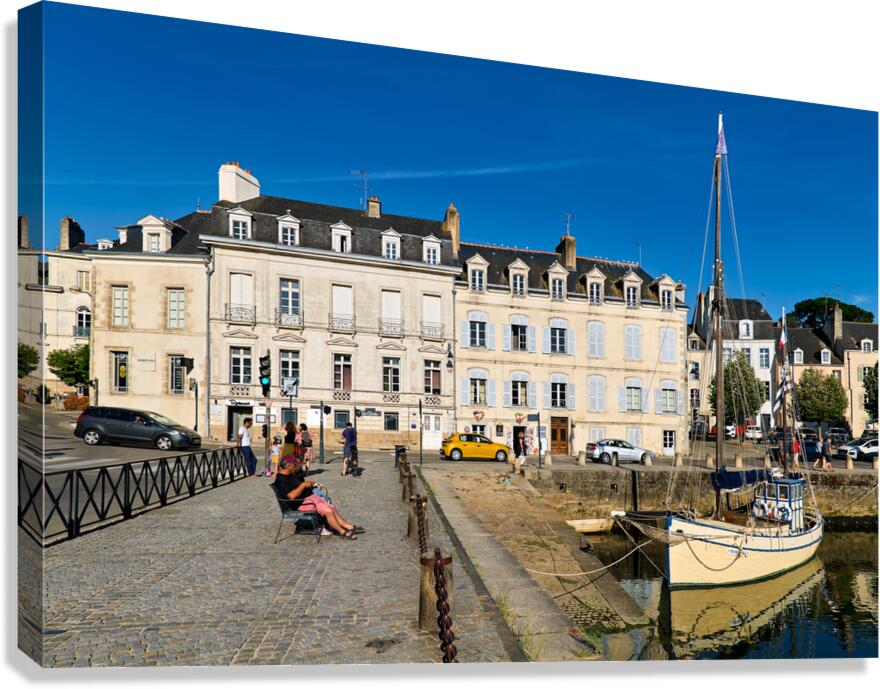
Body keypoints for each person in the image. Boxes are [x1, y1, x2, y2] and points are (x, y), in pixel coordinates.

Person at [274, 456, 361, 539]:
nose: (296, 466)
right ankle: (342, 532)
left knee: (331, 507)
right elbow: (292, 496)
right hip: (301, 504)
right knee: (328, 511)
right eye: (294, 464)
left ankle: (347, 526)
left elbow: (298, 487)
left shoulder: (290, 475)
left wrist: (311, 486)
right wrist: (304, 485)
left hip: (309, 498)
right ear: (289, 465)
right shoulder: (281, 479)